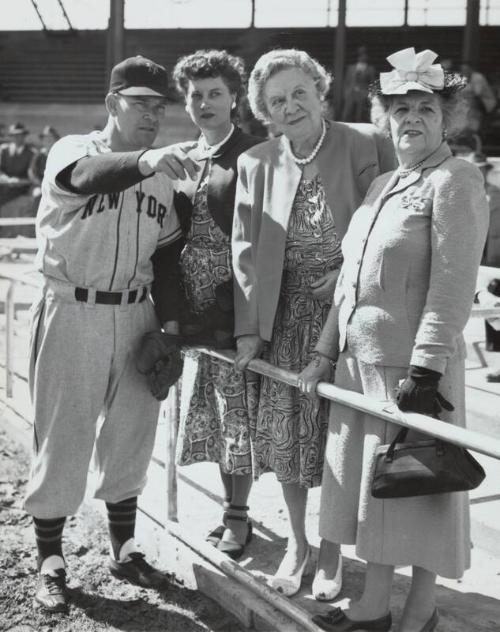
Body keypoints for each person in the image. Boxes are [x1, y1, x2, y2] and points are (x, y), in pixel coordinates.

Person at [299, 47, 489, 632]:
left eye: (425, 108)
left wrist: (427, 371)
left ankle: (418, 613)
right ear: (384, 117)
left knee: (420, 494)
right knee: (371, 496)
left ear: (446, 117)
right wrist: (326, 351)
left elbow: (454, 283)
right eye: (399, 108)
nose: (411, 118)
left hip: (412, 371)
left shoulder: (456, 178)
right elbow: (349, 282)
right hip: (360, 368)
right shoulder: (384, 183)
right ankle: (373, 606)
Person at [25, 55, 199, 614]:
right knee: (64, 435)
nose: (152, 114)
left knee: (131, 435)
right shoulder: (74, 149)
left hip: (135, 313)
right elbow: (86, 178)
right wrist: (148, 161)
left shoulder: (166, 179)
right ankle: (50, 559)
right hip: (72, 307)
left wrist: (169, 329)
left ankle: (124, 546)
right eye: (140, 103)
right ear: (112, 105)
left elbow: (168, 262)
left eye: (159, 106)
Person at [232, 48, 395, 599]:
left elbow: (392, 221)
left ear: (320, 90)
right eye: (277, 101)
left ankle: (331, 551)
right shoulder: (255, 162)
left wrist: (350, 271)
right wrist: (248, 330)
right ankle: (298, 543)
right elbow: (245, 254)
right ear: (264, 113)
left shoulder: (366, 142)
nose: (291, 106)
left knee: (339, 443)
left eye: (299, 92)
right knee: (288, 444)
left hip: (348, 321)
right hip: (283, 323)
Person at [171, 49, 262, 559]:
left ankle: (238, 515)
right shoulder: (183, 155)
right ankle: (229, 506)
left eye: (215, 94)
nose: (205, 103)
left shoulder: (254, 154)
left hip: (234, 300)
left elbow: (265, 240)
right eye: (195, 95)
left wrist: (241, 306)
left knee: (238, 414)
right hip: (190, 304)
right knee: (210, 410)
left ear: (234, 100)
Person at [0, 122, 35, 237]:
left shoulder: (31, 153)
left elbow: (32, 175)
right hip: (5, 184)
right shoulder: (3, 150)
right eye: (14, 135)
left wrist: (19, 181)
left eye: (20, 135)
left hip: (22, 187)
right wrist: (7, 179)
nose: (17, 138)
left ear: (24, 136)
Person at [341, 46, 376, 123]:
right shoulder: (351, 68)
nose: (362, 56)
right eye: (361, 54)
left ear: (367, 56)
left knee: (359, 114)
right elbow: (346, 81)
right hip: (351, 92)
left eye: (364, 54)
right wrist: (346, 92)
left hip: (363, 93)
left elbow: (372, 83)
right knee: (347, 112)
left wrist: (369, 95)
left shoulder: (370, 69)